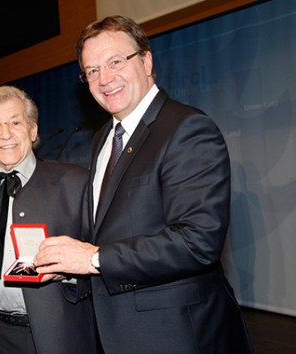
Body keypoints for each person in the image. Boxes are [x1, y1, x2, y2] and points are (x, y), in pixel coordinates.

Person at [33, 15, 253, 353]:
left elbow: (197, 241)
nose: (104, 79)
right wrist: (70, 265)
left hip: (177, 336)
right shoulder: (104, 138)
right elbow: (110, 232)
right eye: (92, 71)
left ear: (146, 61)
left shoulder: (187, 129)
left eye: (115, 62)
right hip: (118, 332)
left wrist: (93, 259)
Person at [0, 85, 99, 353]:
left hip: (63, 334)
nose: (5, 134)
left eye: (15, 122)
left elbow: (106, 258)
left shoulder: (76, 183)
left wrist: (69, 273)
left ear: (33, 130)